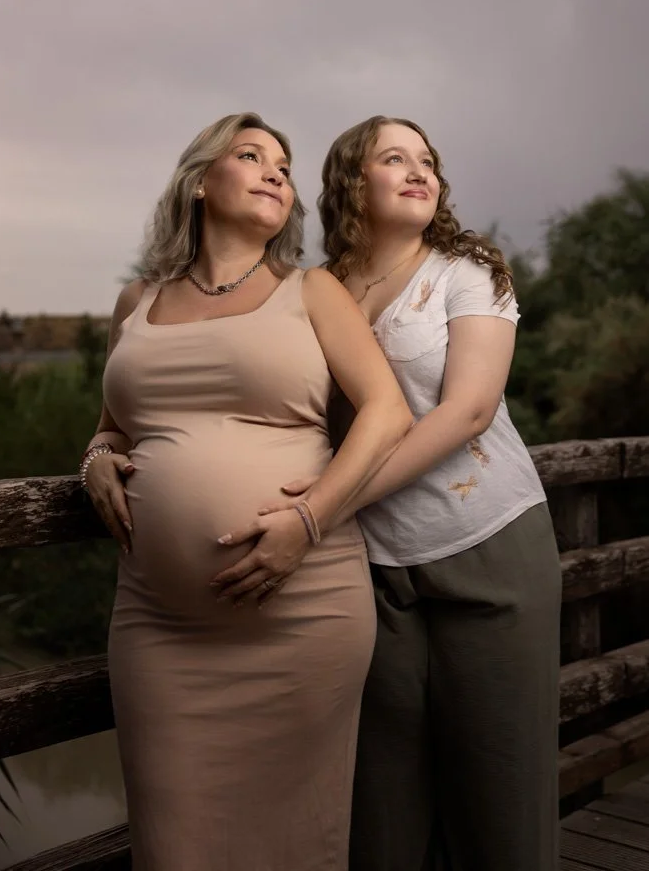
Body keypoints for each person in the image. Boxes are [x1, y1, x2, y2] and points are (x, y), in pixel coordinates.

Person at [221, 116, 562, 871]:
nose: (419, 171)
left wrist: (317, 513)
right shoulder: (320, 291)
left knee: (501, 790)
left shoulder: (465, 271)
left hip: (490, 546)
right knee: (383, 802)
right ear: (352, 181)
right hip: (370, 568)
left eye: (428, 161)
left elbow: (467, 410)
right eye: (394, 158)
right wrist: (110, 446)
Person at [79, 112, 412, 871]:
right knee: (171, 848)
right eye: (251, 155)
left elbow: (387, 413)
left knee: (298, 843)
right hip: (159, 625)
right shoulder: (137, 302)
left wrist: (308, 516)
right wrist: (95, 460)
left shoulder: (312, 291)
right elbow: (111, 426)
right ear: (201, 182)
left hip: (304, 609)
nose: (274, 171)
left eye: (284, 166)